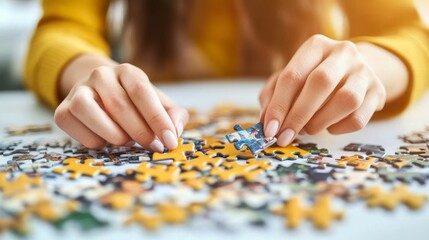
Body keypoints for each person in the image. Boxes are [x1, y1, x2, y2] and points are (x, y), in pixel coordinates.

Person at [25, 0, 429, 152]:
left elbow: (410, 33)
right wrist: (83, 71)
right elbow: (60, 28)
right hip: (158, 136)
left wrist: (374, 66)